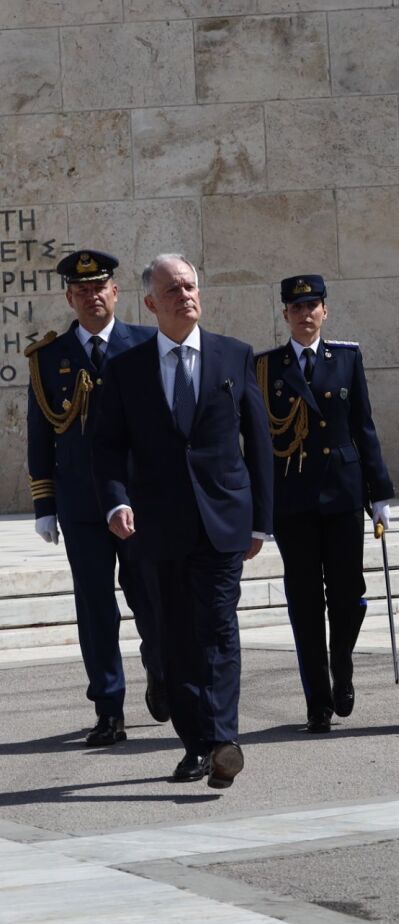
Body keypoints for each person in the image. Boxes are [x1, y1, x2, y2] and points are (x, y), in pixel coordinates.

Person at [90, 253, 273, 789]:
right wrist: (115, 500)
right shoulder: (126, 370)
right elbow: (107, 446)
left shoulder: (233, 356)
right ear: (150, 303)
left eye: (190, 286)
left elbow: (258, 442)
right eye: (171, 290)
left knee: (217, 628)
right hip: (159, 524)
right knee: (175, 638)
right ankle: (196, 745)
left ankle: (222, 741)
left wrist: (261, 521)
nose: (184, 296)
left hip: (223, 520)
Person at [25, 249, 163, 747]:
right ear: (69, 296)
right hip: (81, 504)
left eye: (99, 286)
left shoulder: (146, 345)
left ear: (115, 291)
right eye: (81, 289)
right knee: (96, 610)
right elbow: (40, 436)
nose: (92, 295)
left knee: (151, 597)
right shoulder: (48, 358)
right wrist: (44, 505)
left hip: (139, 500)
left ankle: (160, 667)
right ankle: (109, 709)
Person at [257, 275, 395, 734]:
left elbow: (364, 426)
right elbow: (255, 444)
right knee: (304, 602)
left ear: (325, 310)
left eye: (313, 305)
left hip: (342, 493)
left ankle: (343, 667)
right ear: (285, 316)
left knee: (347, 595)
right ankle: (317, 700)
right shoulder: (267, 367)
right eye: (297, 308)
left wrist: (380, 495)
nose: (306, 314)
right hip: (293, 498)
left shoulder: (346, 358)